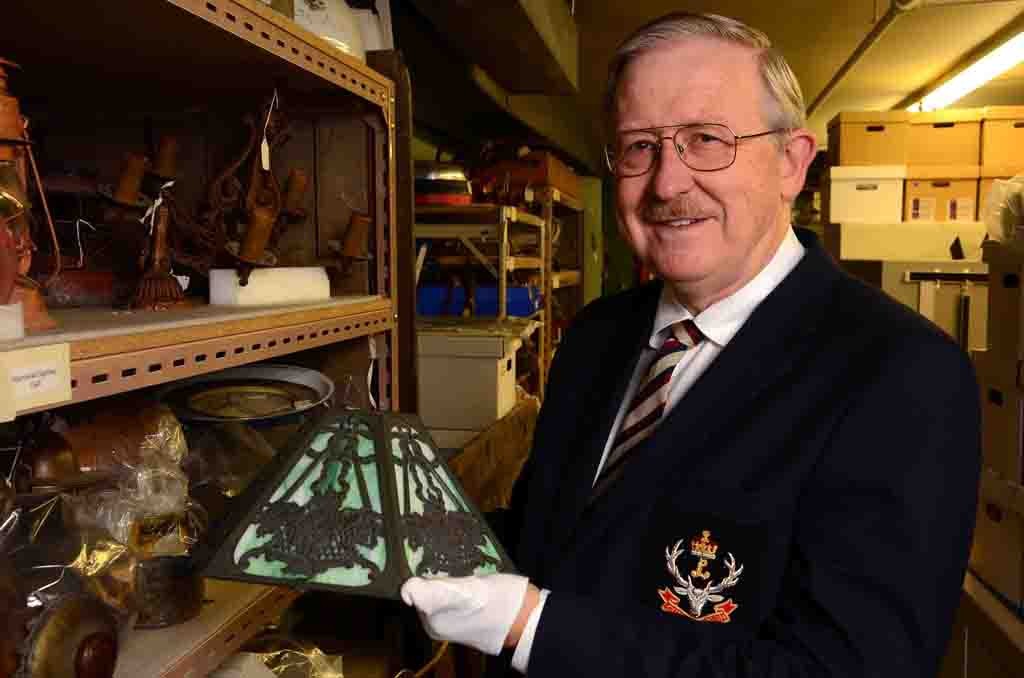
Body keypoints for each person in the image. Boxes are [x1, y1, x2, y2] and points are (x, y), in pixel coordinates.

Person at [401, 12, 981, 677]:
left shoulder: (901, 374)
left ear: (792, 163)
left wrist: (536, 626)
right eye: (639, 147)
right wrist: (418, 538)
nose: (668, 183)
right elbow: (557, 542)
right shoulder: (596, 337)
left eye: (707, 140)